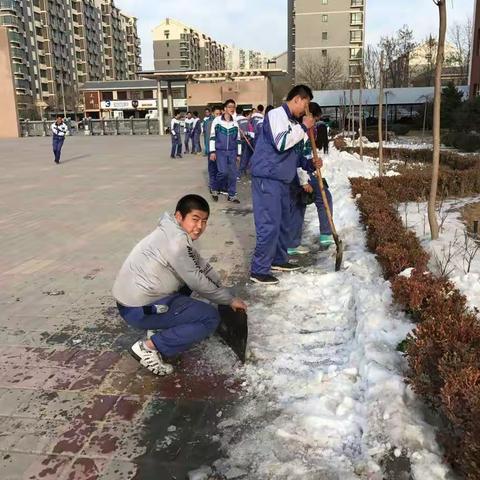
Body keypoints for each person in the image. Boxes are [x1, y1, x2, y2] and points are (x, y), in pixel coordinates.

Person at [113, 195, 248, 376]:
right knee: (209, 318)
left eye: (204, 221)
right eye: (195, 219)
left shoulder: (171, 231)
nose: (200, 227)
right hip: (138, 309)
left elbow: (198, 263)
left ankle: (160, 326)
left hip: (132, 301)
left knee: (189, 284)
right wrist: (229, 300)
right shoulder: (177, 243)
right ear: (179, 216)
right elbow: (197, 280)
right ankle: (149, 347)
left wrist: (218, 283)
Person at [249, 85, 317, 285]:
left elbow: (292, 155)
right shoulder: (277, 115)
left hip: (282, 180)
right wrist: (304, 126)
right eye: (305, 104)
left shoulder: (291, 121)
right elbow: (281, 143)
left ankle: (279, 259)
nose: (305, 110)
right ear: (297, 99)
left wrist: (309, 164)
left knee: (282, 223)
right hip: (268, 179)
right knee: (269, 224)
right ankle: (259, 270)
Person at [209, 99, 242, 203]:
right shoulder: (217, 121)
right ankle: (214, 188)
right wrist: (212, 151)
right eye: (230, 106)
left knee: (233, 174)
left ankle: (232, 195)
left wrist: (238, 154)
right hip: (220, 151)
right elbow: (212, 137)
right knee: (223, 172)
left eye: (233, 107)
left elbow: (238, 139)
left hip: (232, 151)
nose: (232, 109)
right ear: (225, 109)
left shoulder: (235, 123)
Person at [235, 106, 254, 176]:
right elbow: (250, 129)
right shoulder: (246, 120)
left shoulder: (234, 120)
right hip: (247, 140)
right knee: (245, 157)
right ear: (242, 112)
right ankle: (244, 171)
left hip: (238, 140)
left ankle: (238, 173)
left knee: (238, 156)